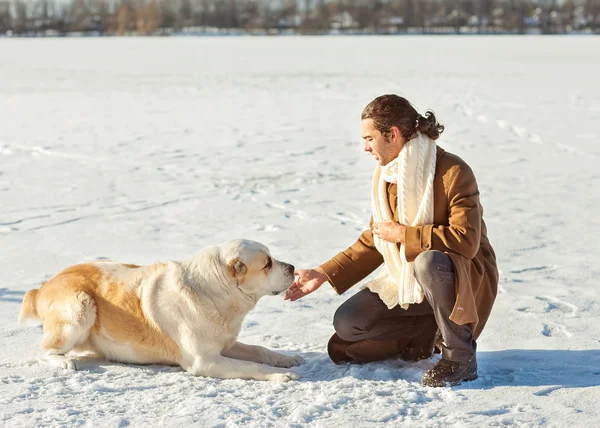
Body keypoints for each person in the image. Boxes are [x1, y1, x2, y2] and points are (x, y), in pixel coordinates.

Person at [285, 94, 498, 387]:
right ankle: (423, 333)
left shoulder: (453, 171)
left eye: (369, 138)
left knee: (429, 260)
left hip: (463, 277)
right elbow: (376, 239)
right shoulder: (387, 176)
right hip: (413, 279)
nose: (365, 147)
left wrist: (405, 235)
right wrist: (322, 273)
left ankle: (460, 357)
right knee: (348, 323)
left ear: (393, 134)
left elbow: (467, 241)